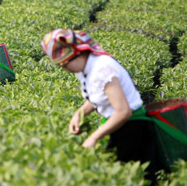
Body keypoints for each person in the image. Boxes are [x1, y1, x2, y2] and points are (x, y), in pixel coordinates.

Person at [40, 29, 158, 172]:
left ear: (78, 54)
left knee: (136, 176)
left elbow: (123, 112)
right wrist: (79, 114)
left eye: (65, 64)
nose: (65, 69)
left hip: (133, 128)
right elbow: (98, 97)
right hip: (118, 125)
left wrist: (94, 138)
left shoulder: (103, 69)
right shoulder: (85, 68)